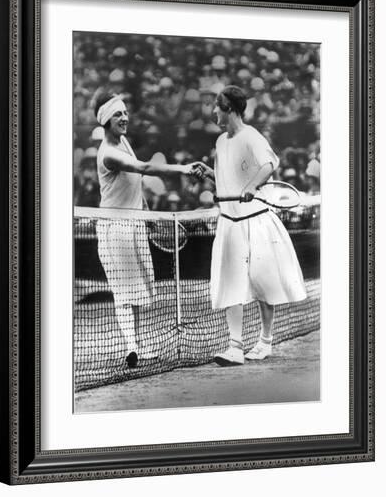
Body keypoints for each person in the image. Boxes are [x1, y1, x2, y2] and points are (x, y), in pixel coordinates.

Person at [198, 85, 307, 365]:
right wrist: (209, 174)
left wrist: (252, 185)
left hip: (256, 222)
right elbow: (227, 179)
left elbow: (270, 163)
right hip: (230, 224)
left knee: (264, 283)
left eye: (217, 107)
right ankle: (235, 347)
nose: (213, 112)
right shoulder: (221, 142)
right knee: (230, 284)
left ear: (230, 110)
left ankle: (265, 341)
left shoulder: (252, 136)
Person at [94, 92, 203, 368]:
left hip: (135, 223)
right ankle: (131, 347)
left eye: (125, 113)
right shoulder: (108, 153)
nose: (125, 118)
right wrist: (184, 168)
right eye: (118, 114)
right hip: (114, 228)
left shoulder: (124, 141)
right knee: (123, 292)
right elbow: (143, 167)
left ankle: (137, 347)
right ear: (106, 120)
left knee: (138, 292)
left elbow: (135, 180)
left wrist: (145, 212)